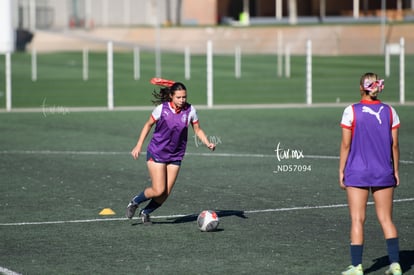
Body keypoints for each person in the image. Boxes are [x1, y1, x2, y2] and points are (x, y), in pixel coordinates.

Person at [126, 79, 216, 224]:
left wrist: (207, 143)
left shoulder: (191, 110)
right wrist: (138, 145)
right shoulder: (161, 109)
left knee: (165, 193)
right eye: (179, 97)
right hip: (157, 152)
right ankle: (135, 201)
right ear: (171, 97)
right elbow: (148, 125)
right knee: (158, 190)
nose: (182, 100)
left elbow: (198, 130)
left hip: (176, 155)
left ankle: (146, 212)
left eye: (184, 97)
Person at [339, 72, 402, 275]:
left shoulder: (351, 111)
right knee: (386, 219)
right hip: (383, 171)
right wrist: (396, 170)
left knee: (357, 219)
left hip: (356, 171)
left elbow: (346, 144)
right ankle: (395, 264)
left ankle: (356, 266)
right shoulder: (390, 111)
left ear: (361, 88)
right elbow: (395, 145)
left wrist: (341, 170)